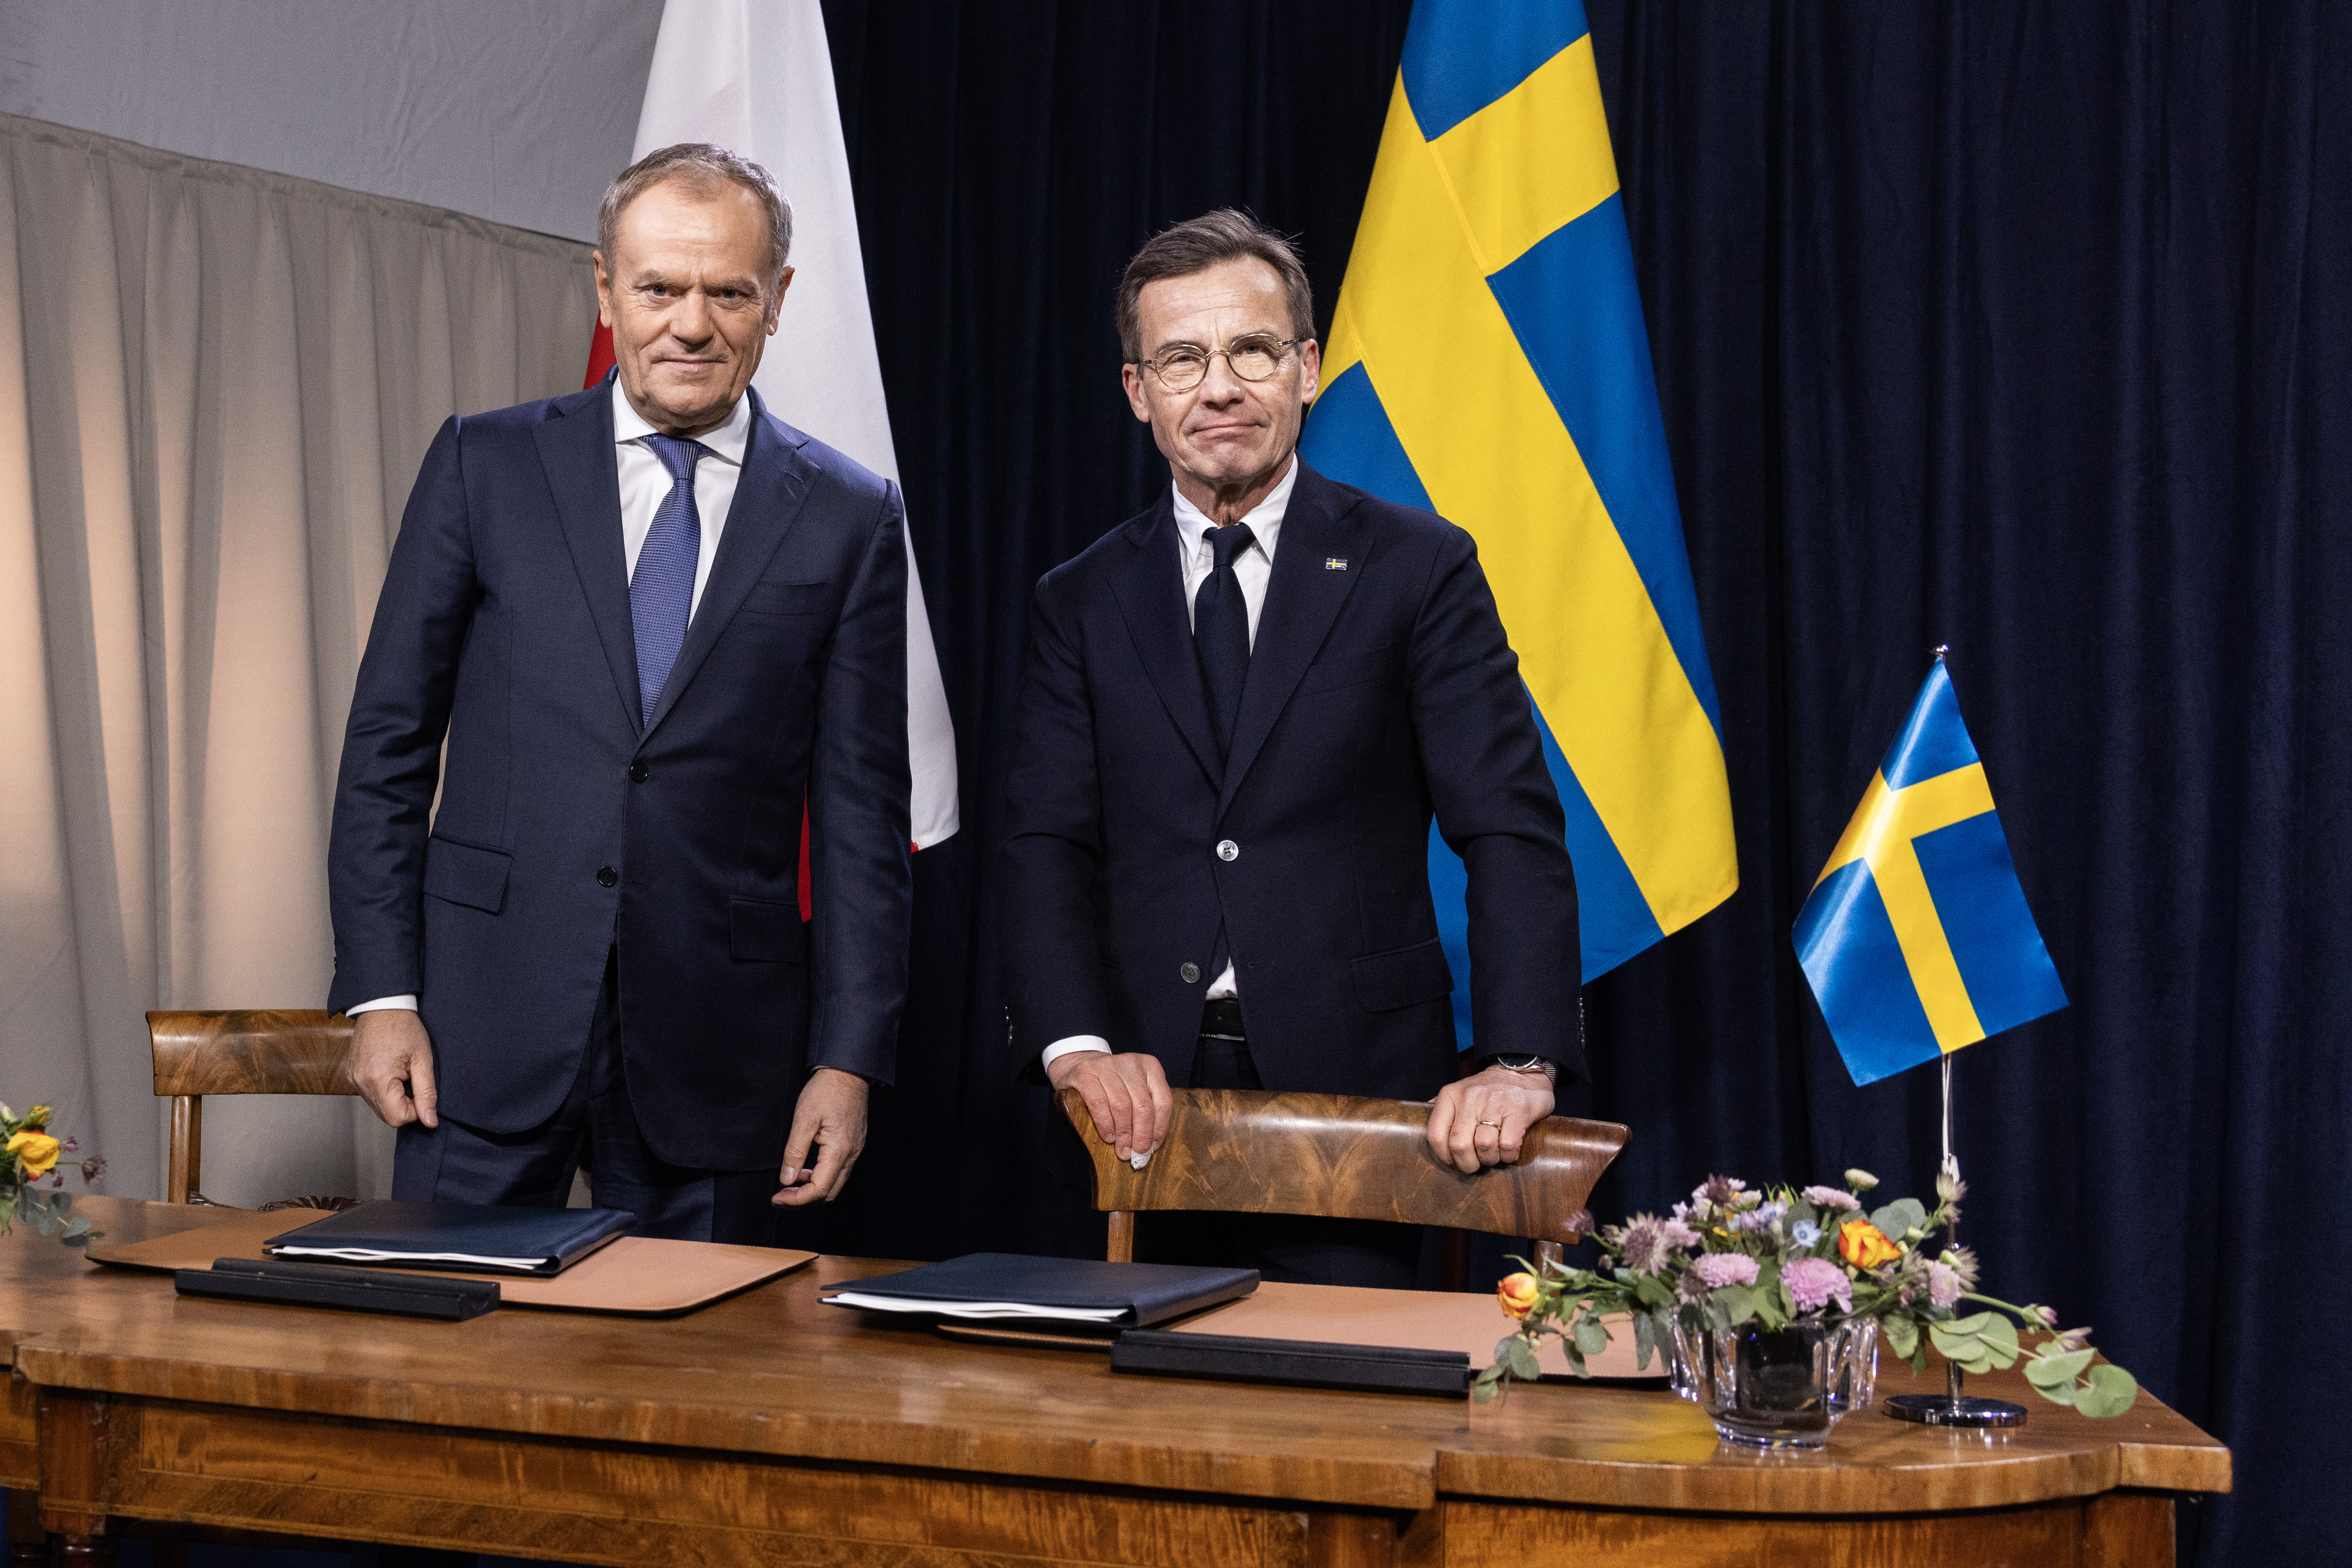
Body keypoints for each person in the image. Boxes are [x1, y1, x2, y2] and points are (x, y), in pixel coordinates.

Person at [329, 143, 912, 1245]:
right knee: (438, 1358)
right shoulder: (482, 464)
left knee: (692, 1388)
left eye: (727, 291)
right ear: (607, 287)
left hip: (719, 1048)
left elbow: (861, 816)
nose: (690, 324)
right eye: (658, 288)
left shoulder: (850, 515)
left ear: (777, 300)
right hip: (478, 1031)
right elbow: (388, 747)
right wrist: (382, 993)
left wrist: (848, 1059)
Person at [997, 210, 1583, 1287]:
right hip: (1133, 1102)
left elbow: (1506, 823)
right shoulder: (1077, 599)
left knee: (1342, 1423)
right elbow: (1044, 843)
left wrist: (1516, 1056)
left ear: (1306, 368)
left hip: (1357, 1104)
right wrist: (1072, 1043)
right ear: (1139, 391)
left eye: (1251, 350)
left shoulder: (1420, 567)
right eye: (1181, 358)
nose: (1217, 388)